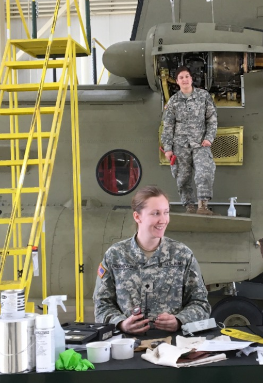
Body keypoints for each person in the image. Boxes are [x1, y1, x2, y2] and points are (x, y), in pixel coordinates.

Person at [93, 185, 211, 334]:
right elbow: (101, 304)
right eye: (155, 213)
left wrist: (179, 320)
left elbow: (201, 304)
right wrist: (121, 323)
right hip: (127, 346)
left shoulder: (182, 255)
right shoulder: (115, 255)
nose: (163, 220)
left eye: (166, 213)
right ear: (137, 217)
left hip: (172, 347)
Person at [161, 66, 217, 215]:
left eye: (187, 76)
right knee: (182, 178)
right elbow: (167, 126)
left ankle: (203, 206)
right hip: (180, 146)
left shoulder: (203, 96)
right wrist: (168, 148)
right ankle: (189, 207)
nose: (184, 79)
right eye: (181, 77)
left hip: (200, 144)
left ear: (191, 79)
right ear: (177, 81)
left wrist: (209, 138)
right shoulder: (173, 101)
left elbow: (212, 119)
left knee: (204, 173)